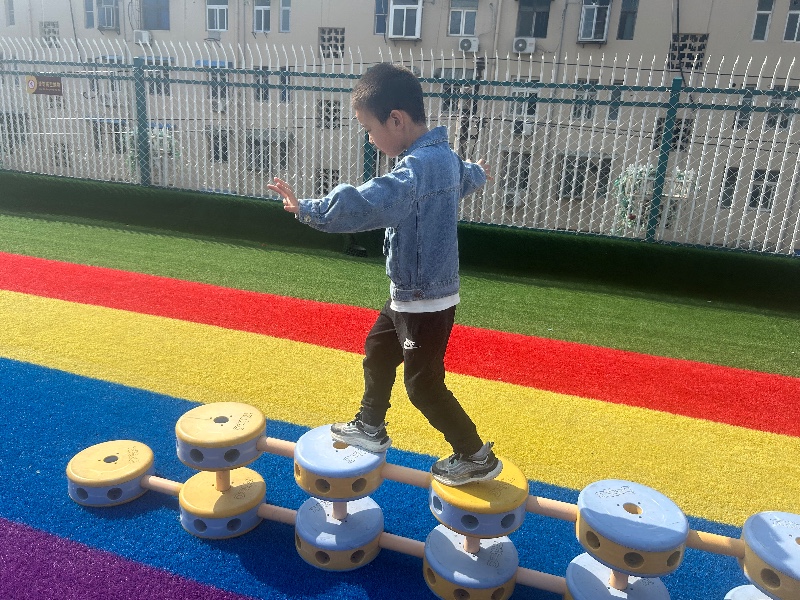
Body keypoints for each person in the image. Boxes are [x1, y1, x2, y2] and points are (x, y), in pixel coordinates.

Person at [266, 62, 501, 487]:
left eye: (369, 129)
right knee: (377, 350)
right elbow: (464, 177)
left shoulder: (415, 170)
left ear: (396, 119)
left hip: (424, 300)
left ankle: (474, 454)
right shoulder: (444, 158)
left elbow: (370, 202)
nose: (370, 139)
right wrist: (479, 172)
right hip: (408, 293)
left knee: (423, 385)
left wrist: (309, 209)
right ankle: (370, 425)